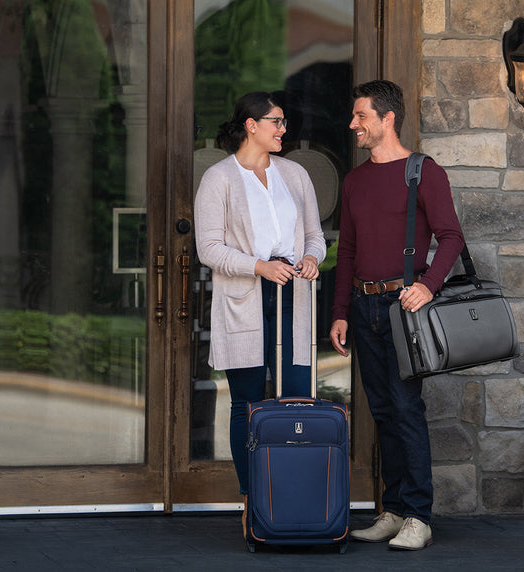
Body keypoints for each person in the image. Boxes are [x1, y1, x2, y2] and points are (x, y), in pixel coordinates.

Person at [329, 80, 464, 551]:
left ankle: (418, 517)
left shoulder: (423, 172)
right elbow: (346, 250)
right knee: (382, 412)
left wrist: (427, 286)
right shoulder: (355, 181)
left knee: (406, 409)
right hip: (363, 307)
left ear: (387, 118)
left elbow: (451, 237)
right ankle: (392, 510)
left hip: (403, 308)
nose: (353, 125)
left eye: (360, 116)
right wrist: (340, 310)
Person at [194, 91, 326, 530]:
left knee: (296, 400)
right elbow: (208, 248)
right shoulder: (219, 178)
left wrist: (311, 258)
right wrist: (258, 266)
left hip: (293, 293)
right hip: (246, 297)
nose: (283, 130)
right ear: (251, 124)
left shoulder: (295, 173)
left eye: (284, 122)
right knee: (247, 404)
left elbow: (314, 234)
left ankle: (295, 499)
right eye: (276, 122)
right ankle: (254, 503)